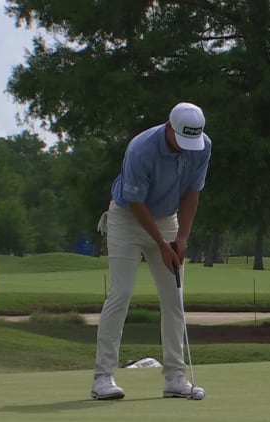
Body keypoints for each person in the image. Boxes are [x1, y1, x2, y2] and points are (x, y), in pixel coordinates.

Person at [91, 102, 211, 400]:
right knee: (121, 293)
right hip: (127, 218)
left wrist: (182, 238)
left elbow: (192, 193)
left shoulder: (202, 146)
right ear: (169, 128)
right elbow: (136, 202)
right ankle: (102, 377)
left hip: (167, 217)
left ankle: (175, 377)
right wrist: (161, 244)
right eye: (181, 140)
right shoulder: (141, 148)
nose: (186, 148)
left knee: (174, 298)